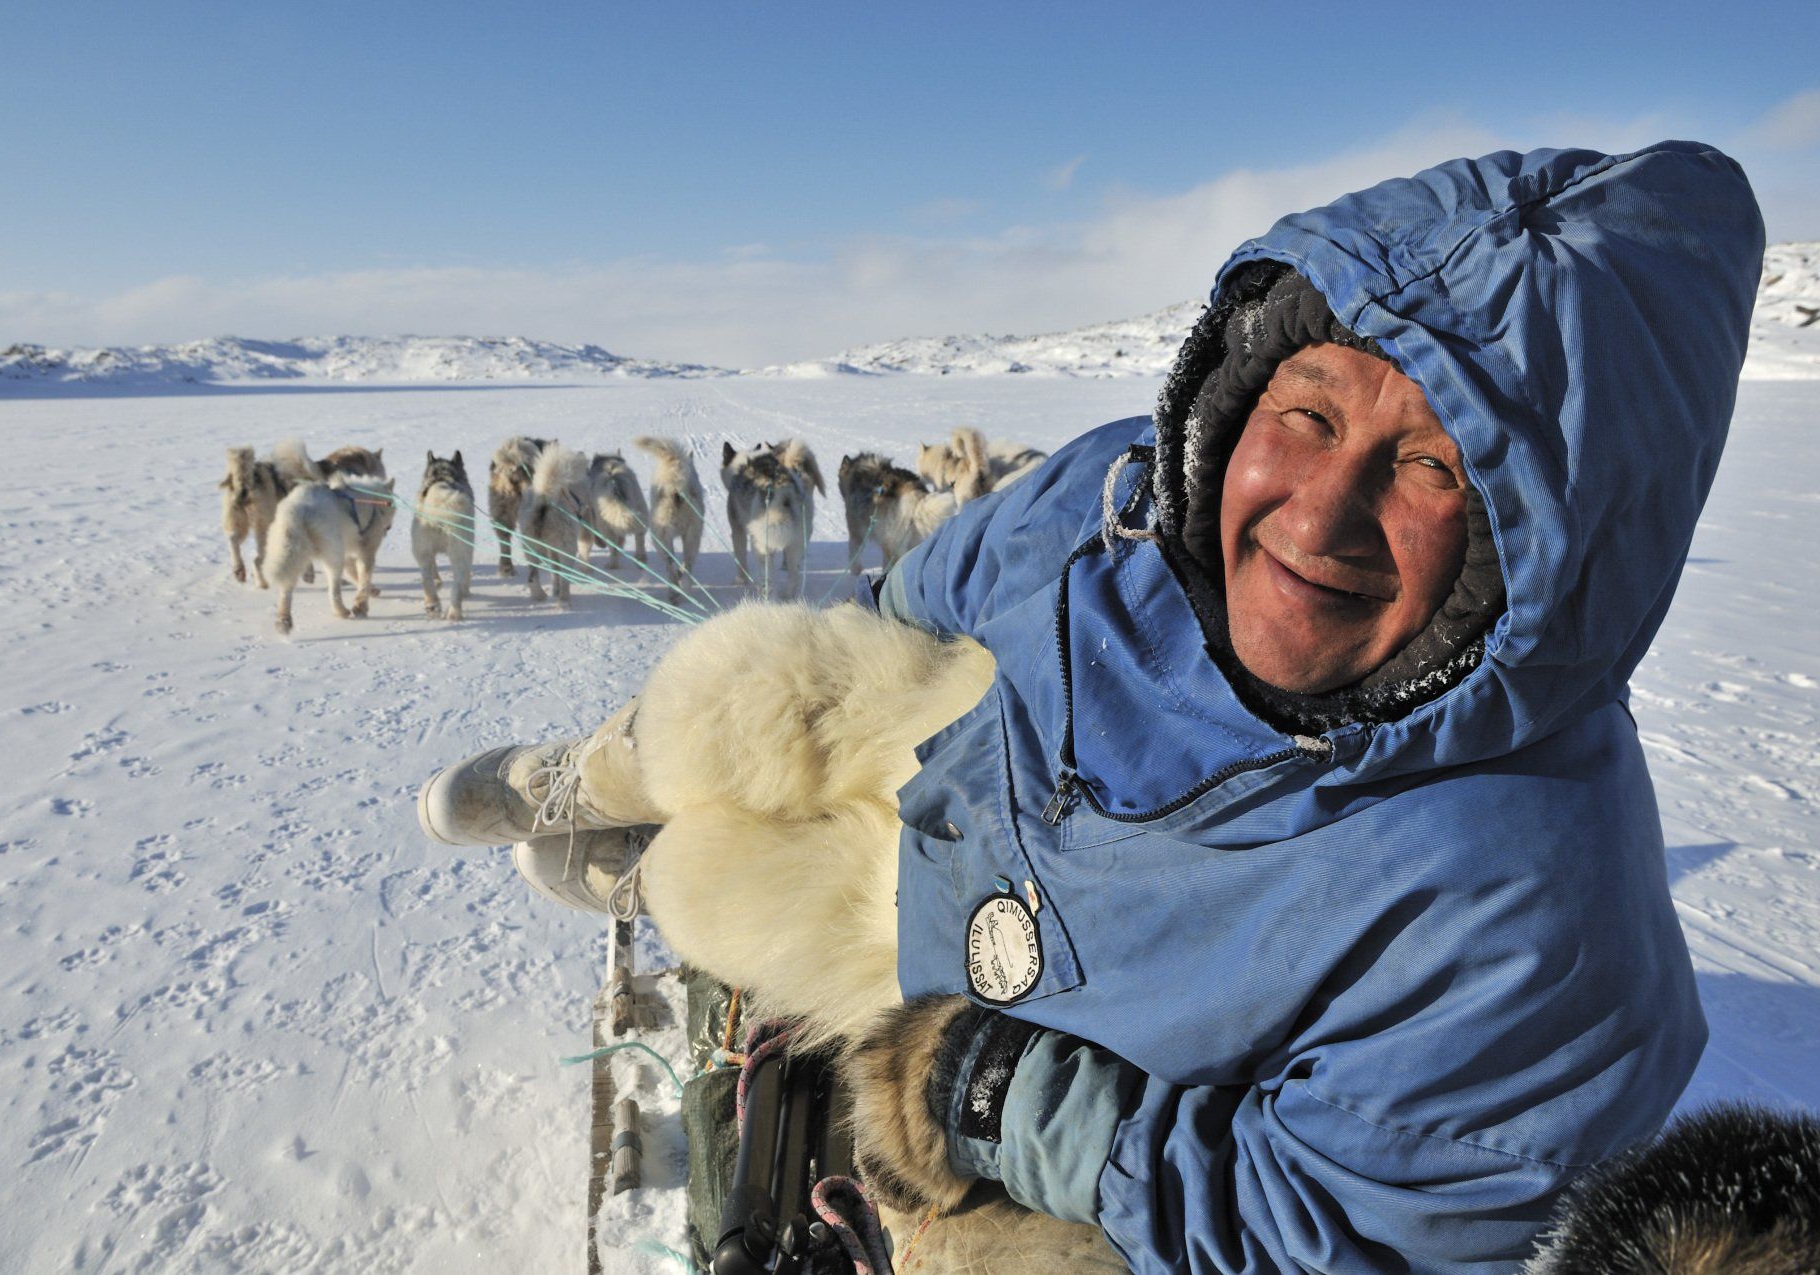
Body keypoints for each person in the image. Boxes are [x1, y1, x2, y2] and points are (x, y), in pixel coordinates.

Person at [420, 140, 1766, 1270]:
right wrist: (806, 710)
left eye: (1430, 466)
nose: (1318, 514)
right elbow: (907, 609)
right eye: (1305, 415)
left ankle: (655, 877)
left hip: (1031, 1073)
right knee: (754, 685)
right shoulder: (1112, 502)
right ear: (1239, 394)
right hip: (947, 830)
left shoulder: (1533, 924)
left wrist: (1001, 1102)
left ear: (1553, 546)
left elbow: (1329, 1241)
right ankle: (601, 779)